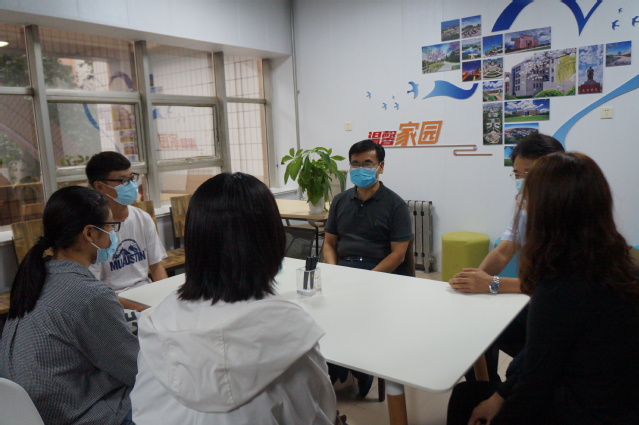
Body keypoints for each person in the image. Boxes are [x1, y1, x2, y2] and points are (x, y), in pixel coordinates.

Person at [447, 152, 639, 425]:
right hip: (616, 395)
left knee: (466, 398)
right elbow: (542, 353)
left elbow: (535, 382)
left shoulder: (560, 287)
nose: (521, 192)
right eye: (517, 174)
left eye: (528, 178)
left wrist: (498, 405)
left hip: (587, 407)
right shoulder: (617, 261)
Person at [131, 172, 337, 424]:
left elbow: (143, 407)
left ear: (195, 241)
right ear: (273, 239)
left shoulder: (159, 320)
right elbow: (318, 413)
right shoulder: (288, 330)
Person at [0, 186, 139, 425]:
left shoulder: (35, 278)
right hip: (80, 415)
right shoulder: (89, 294)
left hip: (35, 413)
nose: (112, 235)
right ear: (90, 233)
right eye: (110, 227)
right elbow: (134, 368)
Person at [448, 133, 564, 381]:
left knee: (524, 368)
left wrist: (492, 284)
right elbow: (504, 250)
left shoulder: (572, 216)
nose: (522, 181)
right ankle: (486, 385)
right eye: (517, 174)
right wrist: (475, 278)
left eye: (529, 173)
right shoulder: (525, 206)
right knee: (476, 321)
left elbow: (556, 286)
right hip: (538, 301)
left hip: (560, 317)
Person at [323, 139, 412, 396]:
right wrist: (333, 272)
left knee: (357, 311)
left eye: (367, 163)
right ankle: (334, 364)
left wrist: (367, 280)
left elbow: (398, 255)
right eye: (355, 164)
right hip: (342, 270)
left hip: (378, 274)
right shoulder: (340, 201)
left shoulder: (395, 205)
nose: (360, 169)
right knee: (321, 311)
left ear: (380, 167)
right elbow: (329, 244)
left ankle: (362, 367)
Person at [86, 151, 168, 292]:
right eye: (123, 180)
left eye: (131, 178)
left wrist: (166, 295)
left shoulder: (142, 218)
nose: (130, 185)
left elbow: (156, 266)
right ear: (100, 187)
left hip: (145, 291)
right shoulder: (93, 229)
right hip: (113, 298)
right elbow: (94, 287)